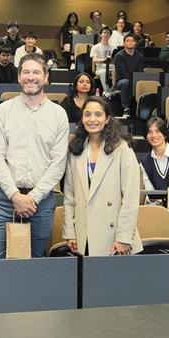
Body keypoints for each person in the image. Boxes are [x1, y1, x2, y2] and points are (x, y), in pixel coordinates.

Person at [0, 54, 69, 259]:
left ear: (46, 77)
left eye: (36, 72)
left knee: (34, 270)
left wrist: (32, 198)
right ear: (19, 77)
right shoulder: (3, 110)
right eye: (26, 72)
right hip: (4, 201)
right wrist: (15, 196)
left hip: (40, 204)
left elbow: (58, 164)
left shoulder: (58, 114)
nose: (31, 77)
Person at [63, 96, 142, 256]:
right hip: (83, 236)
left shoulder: (122, 149)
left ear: (107, 119)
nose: (92, 119)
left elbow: (131, 198)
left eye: (98, 114)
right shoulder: (76, 150)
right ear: (82, 118)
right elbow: (69, 196)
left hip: (114, 238)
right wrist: (70, 232)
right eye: (87, 114)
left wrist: (124, 237)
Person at [113, 34, 145, 118]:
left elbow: (140, 72)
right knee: (125, 82)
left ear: (135, 43)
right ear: (124, 43)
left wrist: (137, 82)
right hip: (121, 81)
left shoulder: (140, 56)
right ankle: (126, 107)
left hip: (135, 80)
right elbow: (122, 74)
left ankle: (143, 109)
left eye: (132, 41)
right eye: (127, 41)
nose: (130, 42)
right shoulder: (119, 56)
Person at [90, 27, 115, 94]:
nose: (106, 34)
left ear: (110, 35)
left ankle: (115, 91)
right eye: (104, 32)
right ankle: (107, 92)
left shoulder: (114, 47)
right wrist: (104, 60)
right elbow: (94, 60)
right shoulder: (95, 47)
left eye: (108, 33)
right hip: (101, 68)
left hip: (112, 68)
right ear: (100, 34)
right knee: (103, 72)